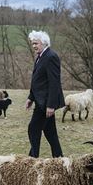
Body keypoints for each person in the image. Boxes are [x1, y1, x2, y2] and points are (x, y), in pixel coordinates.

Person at [26, 30, 65, 158]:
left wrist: (51, 105)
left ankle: (33, 158)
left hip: (46, 103)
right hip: (41, 100)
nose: (34, 46)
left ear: (44, 43)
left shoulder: (51, 56)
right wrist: (31, 97)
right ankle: (59, 158)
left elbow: (54, 83)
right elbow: (37, 80)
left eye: (36, 43)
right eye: (32, 44)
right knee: (50, 132)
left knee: (33, 128)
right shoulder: (41, 56)